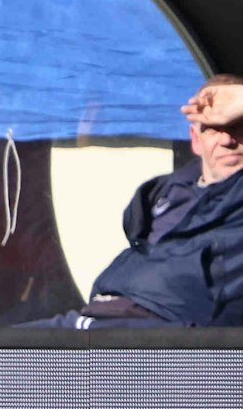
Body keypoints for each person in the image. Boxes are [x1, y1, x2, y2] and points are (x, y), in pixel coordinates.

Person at [24, 75, 243, 328]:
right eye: (214, 129)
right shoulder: (162, 196)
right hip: (100, 316)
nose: (227, 141)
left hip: (168, 334)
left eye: (238, 127)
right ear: (195, 139)